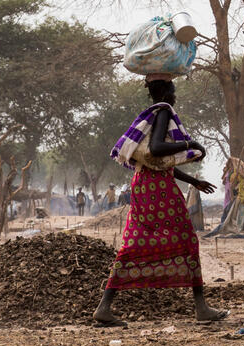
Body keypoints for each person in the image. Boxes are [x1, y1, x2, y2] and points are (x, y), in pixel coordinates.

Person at [92, 76, 228, 327]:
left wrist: (193, 181)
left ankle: (104, 307)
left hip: (144, 183)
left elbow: (157, 163)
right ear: (166, 92)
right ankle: (201, 308)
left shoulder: (150, 115)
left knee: (134, 242)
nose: (175, 95)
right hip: (158, 189)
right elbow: (156, 149)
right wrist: (191, 143)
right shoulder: (164, 111)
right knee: (187, 239)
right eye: (173, 90)